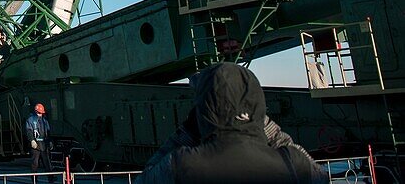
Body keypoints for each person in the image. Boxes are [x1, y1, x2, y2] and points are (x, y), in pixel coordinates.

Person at [138, 62, 328, 184]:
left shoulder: (180, 165)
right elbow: (321, 177)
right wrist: (261, 124)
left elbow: (144, 179)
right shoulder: (293, 162)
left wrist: (188, 132)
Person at [25, 103, 52, 176]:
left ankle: (51, 178)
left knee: (47, 162)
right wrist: (32, 140)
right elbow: (29, 131)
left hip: (43, 143)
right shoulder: (30, 120)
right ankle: (34, 179)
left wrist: (49, 141)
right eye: (40, 113)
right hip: (36, 144)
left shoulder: (44, 120)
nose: (41, 114)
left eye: (42, 113)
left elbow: (48, 131)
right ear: (36, 111)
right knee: (35, 163)